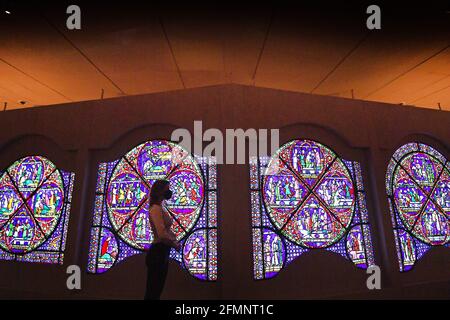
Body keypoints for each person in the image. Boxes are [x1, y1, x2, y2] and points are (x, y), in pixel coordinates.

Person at [144, 179, 181, 300]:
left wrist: (174, 240)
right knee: (153, 291)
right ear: (160, 191)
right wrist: (174, 244)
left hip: (163, 251)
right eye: (167, 189)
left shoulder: (161, 207)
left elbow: (166, 231)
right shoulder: (155, 208)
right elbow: (161, 234)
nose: (169, 192)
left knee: (157, 290)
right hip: (158, 252)